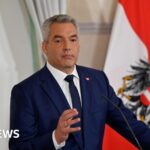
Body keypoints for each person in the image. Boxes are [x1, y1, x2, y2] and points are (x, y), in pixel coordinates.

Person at [9, 14, 150, 150]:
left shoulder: (97, 80)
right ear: (45, 47)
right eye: (58, 41)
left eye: (73, 39)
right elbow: (18, 147)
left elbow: (130, 126)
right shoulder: (25, 91)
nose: (67, 47)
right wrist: (55, 138)